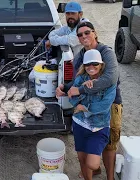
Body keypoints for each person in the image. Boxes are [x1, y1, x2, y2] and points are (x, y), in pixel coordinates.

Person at [56, 21, 122, 180]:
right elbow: (76, 81)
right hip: (84, 108)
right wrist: (65, 88)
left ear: (95, 33)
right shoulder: (80, 56)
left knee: (109, 142)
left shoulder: (106, 52)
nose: (84, 36)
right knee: (87, 151)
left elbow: (110, 79)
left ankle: (110, 177)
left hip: (110, 102)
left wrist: (81, 90)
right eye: (80, 34)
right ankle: (94, 170)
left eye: (87, 32)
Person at [69, 49, 116, 180]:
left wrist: (84, 107)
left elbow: (104, 105)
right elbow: (71, 97)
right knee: (82, 159)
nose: (91, 67)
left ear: (101, 65)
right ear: (84, 66)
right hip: (79, 124)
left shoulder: (108, 83)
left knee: (93, 164)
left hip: (99, 127)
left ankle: (97, 171)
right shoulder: (80, 79)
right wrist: (83, 88)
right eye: (87, 64)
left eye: (95, 64)